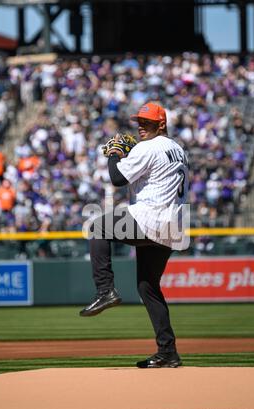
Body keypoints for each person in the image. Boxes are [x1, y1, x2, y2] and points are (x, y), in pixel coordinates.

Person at [79, 102, 189, 368]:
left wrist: (115, 154)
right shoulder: (178, 149)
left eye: (147, 122)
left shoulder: (148, 147)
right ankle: (168, 352)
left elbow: (117, 178)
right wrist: (129, 155)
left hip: (150, 217)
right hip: (173, 225)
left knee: (96, 226)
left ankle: (105, 290)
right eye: (139, 121)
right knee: (148, 287)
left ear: (161, 124)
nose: (141, 125)